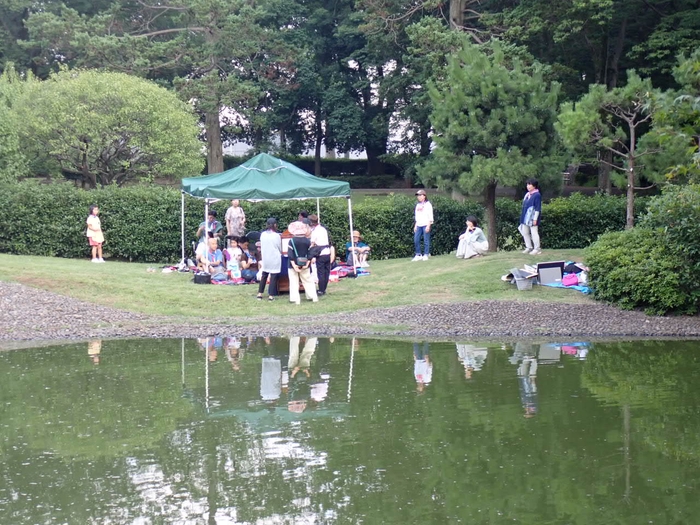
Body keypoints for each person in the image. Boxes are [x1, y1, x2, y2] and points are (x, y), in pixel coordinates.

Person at [287, 220, 318, 305]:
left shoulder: (291, 241)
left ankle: (295, 299)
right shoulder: (307, 241)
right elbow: (311, 253)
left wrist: (294, 265)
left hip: (293, 264)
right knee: (308, 280)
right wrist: (307, 264)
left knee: (294, 282)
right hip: (305, 263)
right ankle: (313, 296)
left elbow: (290, 254)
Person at [257, 218, 282, 301]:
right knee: (273, 276)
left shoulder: (263, 234)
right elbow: (279, 247)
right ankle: (271, 295)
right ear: (275, 225)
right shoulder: (276, 235)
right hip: (274, 257)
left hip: (266, 257)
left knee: (264, 274)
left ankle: (259, 293)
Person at [309, 214, 333, 296]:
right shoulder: (323, 229)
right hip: (327, 252)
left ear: (311, 223)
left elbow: (312, 243)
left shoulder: (315, 231)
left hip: (320, 254)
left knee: (321, 273)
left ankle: (321, 290)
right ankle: (324, 289)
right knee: (326, 272)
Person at [519, 178, 542, 255]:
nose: (528, 186)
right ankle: (528, 247)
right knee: (525, 232)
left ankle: (537, 248)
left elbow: (537, 208)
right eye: (527, 184)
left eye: (530, 184)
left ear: (534, 186)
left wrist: (535, 219)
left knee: (534, 232)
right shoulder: (527, 194)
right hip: (525, 217)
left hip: (532, 217)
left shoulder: (537, 195)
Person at [412, 189, 433, 261]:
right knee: (416, 239)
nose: (418, 197)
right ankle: (418, 254)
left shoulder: (428, 205)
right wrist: (415, 225)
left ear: (424, 196)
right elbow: (417, 216)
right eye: (418, 195)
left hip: (425, 224)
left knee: (426, 240)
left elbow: (430, 216)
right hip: (419, 225)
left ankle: (426, 254)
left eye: (420, 195)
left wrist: (428, 225)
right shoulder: (418, 205)